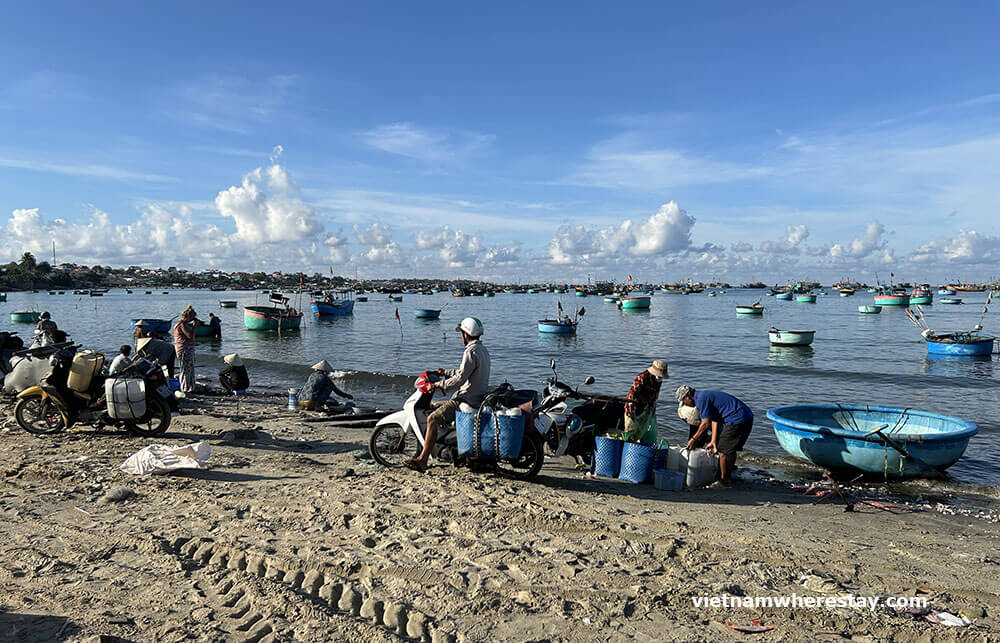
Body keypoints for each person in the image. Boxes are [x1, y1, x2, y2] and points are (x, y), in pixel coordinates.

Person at [406, 316, 490, 472]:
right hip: (478, 397)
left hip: (466, 398)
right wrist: (445, 372)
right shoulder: (482, 350)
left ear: (466, 334)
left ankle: (423, 460)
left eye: (462, 333)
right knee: (433, 408)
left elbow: (459, 379)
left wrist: (437, 385)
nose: (461, 336)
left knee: (432, 418)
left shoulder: (470, 352)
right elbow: (463, 373)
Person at [676, 385, 754, 487]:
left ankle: (724, 481)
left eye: (684, 402)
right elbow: (714, 420)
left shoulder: (701, 400)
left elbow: (705, 423)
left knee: (723, 452)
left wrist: (693, 439)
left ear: (688, 397)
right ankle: (729, 473)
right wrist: (713, 441)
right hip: (746, 416)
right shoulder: (703, 396)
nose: (686, 405)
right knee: (730, 449)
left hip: (736, 419)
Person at [622, 360, 667, 443]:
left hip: (645, 406)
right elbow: (633, 394)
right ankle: (628, 447)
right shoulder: (642, 377)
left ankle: (642, 444)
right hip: (634, 405)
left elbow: (655, 394)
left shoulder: (658, 381)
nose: (660, 378)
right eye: (660, 376)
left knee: (643, 429)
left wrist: (653, 406)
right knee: (631, 430)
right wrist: (632, 410)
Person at [173, 306, 197, 393]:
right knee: (186, 369)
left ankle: (190, 388)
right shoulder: (182, 324)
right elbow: (189, 336)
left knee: (189, 368)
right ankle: (185, 389)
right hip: (184, 349)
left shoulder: (181, 324)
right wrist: (194, 327)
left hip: (184, 348)